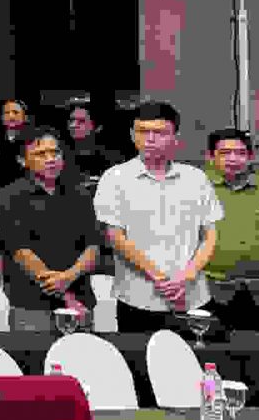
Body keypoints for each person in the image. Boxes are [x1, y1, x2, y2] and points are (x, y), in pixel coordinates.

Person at [94, 101, 221, 335]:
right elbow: (115, 237)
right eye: (143, 131)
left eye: (160, 132)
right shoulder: (115, 178)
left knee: (196, 356)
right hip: (138, 297)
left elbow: (210, 235)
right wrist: (160, 278)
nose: (150, 139)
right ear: (132, 135)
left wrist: (187, 276)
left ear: (175, 137)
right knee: (139, 357)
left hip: (192, 295)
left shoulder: (196, 178)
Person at [0, 128, 101, 332]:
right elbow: (21, 252)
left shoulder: (80, 194)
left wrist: (68, 277)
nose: (50, 159)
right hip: (32, 306)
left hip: (81, 301)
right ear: (22, 160)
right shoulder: (9, 197)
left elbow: (93, 247)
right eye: (41, 154)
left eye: (55, 152)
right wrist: (66, 296)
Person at [199, 129, 259, 336]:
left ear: (251, 156)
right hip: (212, 289)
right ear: (210, 156)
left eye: (241, 153)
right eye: (225, 153)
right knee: (213, 347)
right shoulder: (199, 190)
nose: (233, 159)